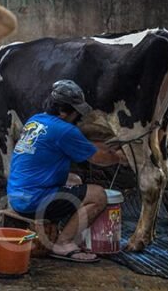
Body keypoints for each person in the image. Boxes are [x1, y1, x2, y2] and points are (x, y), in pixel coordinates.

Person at [7, 80, 126, 263]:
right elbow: (99, 158)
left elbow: (82, 146)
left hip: (16, 196)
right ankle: (64, 243)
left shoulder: (36, 120)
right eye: (76, 112)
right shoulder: (64, 130)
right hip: (34, 201)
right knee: (98, 195)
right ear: (63, 111)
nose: (78, 117)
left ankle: (64, 230)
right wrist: (119, 156)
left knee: (75, 179)